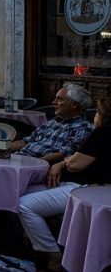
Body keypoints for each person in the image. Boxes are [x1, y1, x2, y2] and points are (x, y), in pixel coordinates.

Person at [17, 95, 110, 272]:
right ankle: (31, 241)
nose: (95, 116)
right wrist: (64, 163)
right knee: (22, 190)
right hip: (78, 185)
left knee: (23, 205)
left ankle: (52, 253)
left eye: (97, 112)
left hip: (86, 189)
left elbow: (75, 164)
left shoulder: (103, 132)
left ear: (104, 115)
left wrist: (62, 163)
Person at [10, 84, 93, 162]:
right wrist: (1, 149)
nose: (54, 102)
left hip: (36, 165)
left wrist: (37, 162)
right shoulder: (51, 123)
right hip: (19, 159)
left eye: (59, 99)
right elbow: (25, 141)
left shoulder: (83, 127)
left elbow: (65, 153)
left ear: (74, 104)